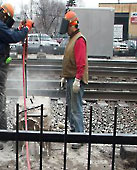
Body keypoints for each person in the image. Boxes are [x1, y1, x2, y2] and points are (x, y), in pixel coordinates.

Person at [0, 3, 34, 150]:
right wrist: (26, 28)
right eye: (9, 19)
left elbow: (8, 34)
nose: (9, 23)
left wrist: (19, 29)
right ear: (4, 15)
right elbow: (13, 36)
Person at [59, 10, 88, 149]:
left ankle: (80, 136)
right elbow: (69, 60)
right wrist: (65, 76)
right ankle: (74, 132)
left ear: (72, 25)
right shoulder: (72, 39)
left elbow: (81, 63)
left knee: (76, 109)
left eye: (67, 27)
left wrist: (77, 80)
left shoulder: (79, 40)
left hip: (75, 80)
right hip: (70, 78)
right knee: (70, 107)